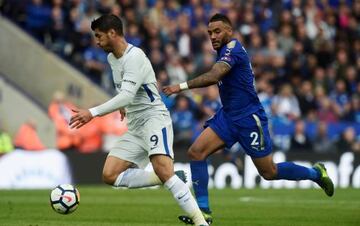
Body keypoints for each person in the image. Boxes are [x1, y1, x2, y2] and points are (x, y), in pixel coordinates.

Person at [163, 13, 334, 225]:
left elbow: (214, 76)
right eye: (209, 33)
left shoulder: (233, 49)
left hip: (249, 118)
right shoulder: (223, 51)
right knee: (196, 153)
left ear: (229, 31)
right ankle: (204, 214)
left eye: (217, 31)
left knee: (269, 172)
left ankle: (315, 173)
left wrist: (179, 87)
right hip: (228, 116)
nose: (213, 36)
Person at [69, 14, 209, 226]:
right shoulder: (111, 59)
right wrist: (125, 107)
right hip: (135, 125)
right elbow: (125, 91)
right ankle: (166, 177)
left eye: (99, 36)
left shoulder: (136, 57)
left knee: (163, 168)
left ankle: (201, 222)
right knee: (110, 175)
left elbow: (126, 94)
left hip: (154, 119)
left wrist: (92, 112)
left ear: (112, 33)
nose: (97, 41)